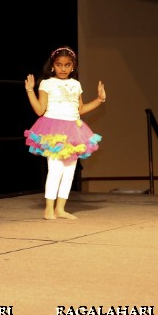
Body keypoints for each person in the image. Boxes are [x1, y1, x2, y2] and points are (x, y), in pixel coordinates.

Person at [24, 46, 105, 219]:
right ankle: (49, 208)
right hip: (53, 129)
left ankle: (60, 208)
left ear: (73, 66)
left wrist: (99, 100)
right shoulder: (47, 83)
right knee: (55, 169)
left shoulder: (76, 84)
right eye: (59, 65)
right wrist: (30, 90)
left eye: (67, 65)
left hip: (73, 129)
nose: (63, 68)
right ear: (53, 66)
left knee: (69, 170)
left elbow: (80, 109)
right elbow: (40, 110)